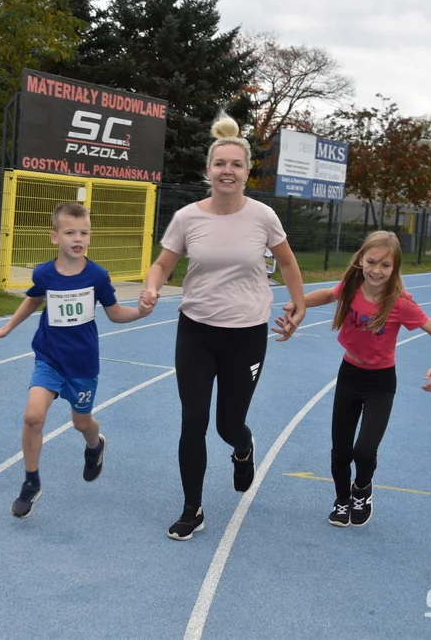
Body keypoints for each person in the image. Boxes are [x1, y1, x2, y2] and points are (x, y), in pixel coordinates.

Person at [139, 112, 307, 541]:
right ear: (208, 171)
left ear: (247, 172)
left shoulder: (263, 216)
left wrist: (299, 305)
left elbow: (286, 262)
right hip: (196, 330)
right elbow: (162, 264)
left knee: (228, 425)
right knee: (193, 420)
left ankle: (243, 446)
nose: (227, 170)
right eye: (220, 164)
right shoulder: (187, 218)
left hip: (246, 335)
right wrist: (153, 287)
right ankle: (192, 508)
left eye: (236, 164)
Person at [0, 202, 150, 518]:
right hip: (49, 359)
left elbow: (115, 314)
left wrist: (140, 312)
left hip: (82, 365)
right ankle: (31, 482)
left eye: (84, 232)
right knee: (33, 416)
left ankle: (95, 445)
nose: (78, 238)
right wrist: (6, 328)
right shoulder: (45, 273)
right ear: (54, 237)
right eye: (70, 232)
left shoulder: (97, 276)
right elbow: (33, 300)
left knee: (81, 423)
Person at [276, 230, 431, 527]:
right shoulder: (353, 286)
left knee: (365, 450)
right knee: (340, 450)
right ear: (360, 260)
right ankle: (342, 499)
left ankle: (363, 489)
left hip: (380, 383)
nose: (377, 270)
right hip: (350, 375)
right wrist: (299, 303)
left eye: (385, 265)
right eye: (371, 262)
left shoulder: (400, 304)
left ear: (394, 268)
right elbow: (328, 294)